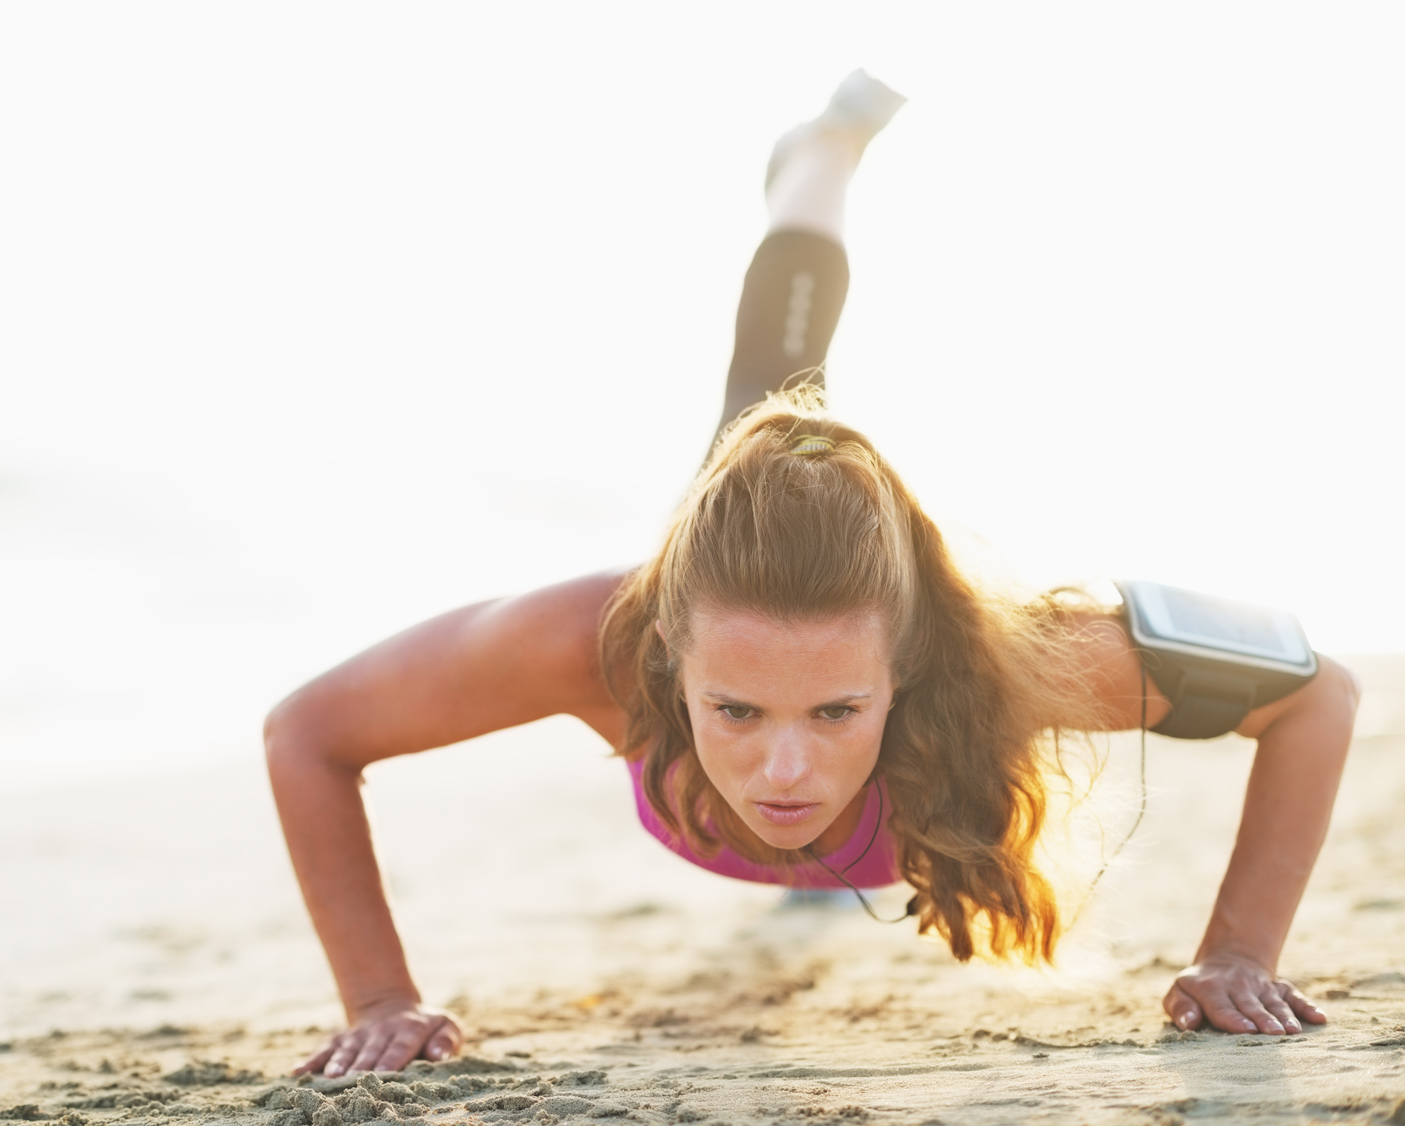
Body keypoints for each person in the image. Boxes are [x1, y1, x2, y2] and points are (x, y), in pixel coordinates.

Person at [263, 71, 1360, 1078]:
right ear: (666, 663)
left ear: (908, 666)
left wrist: (1236, 954)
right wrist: (378, 997)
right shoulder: (594, 642)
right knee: (764, 389)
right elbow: (307, 733)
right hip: (716, 574)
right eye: (733, 709)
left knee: (773, 384)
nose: (785, 768)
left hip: (882, 609)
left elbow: (1317, 693)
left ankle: (817, 160)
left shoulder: (1000, 654)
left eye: (838, 709)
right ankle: (819, 158)